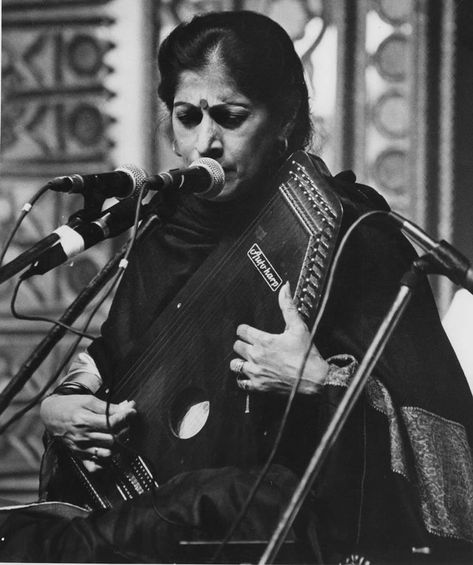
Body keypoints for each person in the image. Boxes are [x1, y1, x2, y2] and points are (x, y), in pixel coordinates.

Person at [1, 9, 473, 564]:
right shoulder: (163, 227)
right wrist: (66, 405)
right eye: (186, 117)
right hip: (140, 508)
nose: (207, 141)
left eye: (230, 117)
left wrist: (320, 381)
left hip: (294, 524)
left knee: (223, 499)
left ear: (285, 118)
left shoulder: (348, 232)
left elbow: (440, 432)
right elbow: (110, 357)